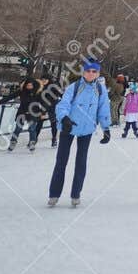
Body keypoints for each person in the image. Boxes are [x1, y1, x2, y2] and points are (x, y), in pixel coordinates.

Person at [49, 59, 111, 208]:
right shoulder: (74, 87)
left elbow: (103, 110)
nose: (91, 74)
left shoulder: (100, 90)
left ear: (98, 73)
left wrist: (106, 128)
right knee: (61, 161)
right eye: (88, 71)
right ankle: (54, 194)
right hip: (68, 128)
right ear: (83, 72)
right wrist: (64, 118)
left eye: (94, 71)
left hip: (87, 129)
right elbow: (63, 104)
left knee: (81, 162)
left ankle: (76, 194)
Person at [6, 76, 42, 150]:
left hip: (33, 112)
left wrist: (43, 112)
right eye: (27, 85)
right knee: (18, 128)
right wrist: (0, 101)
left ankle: (32, 142)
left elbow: (44, 103)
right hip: (22, 111)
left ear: (34, 85)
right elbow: (10, 96)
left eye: (31, 85)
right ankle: (13, 142)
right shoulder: (22, 91)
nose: (29, 87)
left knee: (32, 129)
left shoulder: (38, 92)